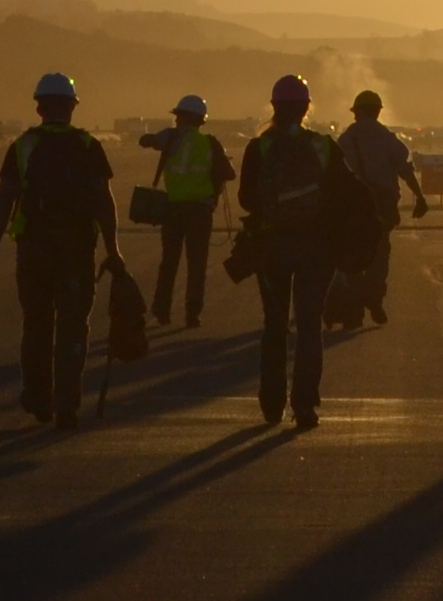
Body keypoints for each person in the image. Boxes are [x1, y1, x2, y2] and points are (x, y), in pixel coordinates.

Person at [0, 71, 121, 429]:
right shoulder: (88, 145)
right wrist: (113, 248)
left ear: (39, 106)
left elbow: (4, 200)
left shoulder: (23, 146)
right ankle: (67, 404)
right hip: (77, 249)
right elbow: (103, 202)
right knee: (74, 326)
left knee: (37, 325)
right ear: (73, 107)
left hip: (34, 249)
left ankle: (37, 396)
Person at [237, 74, 352, 432]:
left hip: (273, 246)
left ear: (274, 107)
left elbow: (245, 198)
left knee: (274, 325)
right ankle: (305, 406)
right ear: (306, 108)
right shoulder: (324, 146)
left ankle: (271, 402)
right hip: (315, 249)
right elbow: (344, 194)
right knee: (309, 325)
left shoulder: (260, 147)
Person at [335, 90, 426, 327]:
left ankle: (354, 310)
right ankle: (373, 298)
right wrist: (419, 197)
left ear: (358, 112)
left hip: (353, 207)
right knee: (379, 256)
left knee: (353, 257)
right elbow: (405, 171)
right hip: (382, 206)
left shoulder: (346, 140)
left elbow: (332, 175)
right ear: (377, 112)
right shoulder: (388, 139)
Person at [147, 96, 233, 330]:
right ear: (201, 120)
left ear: (184, 117)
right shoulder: (211, 143)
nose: (175, 120)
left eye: (178, 116)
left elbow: (149, 140)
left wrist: (151, 139)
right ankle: (192, 313)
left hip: (173, 209)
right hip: (200, 211)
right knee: (197, 264)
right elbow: (229, 173)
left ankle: (162, 310)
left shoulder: (170, 138)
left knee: (169, 262)